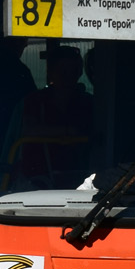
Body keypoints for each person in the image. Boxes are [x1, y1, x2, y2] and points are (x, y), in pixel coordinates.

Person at [12, 43, 95, 188]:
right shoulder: (33, 102)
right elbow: (28, 129)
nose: (68, 77)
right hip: (37, 180)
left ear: (80, 72)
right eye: (63, 71)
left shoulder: (90, 102)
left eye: (73, 71)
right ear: (50, 72)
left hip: (82, 179)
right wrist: (69, 131)